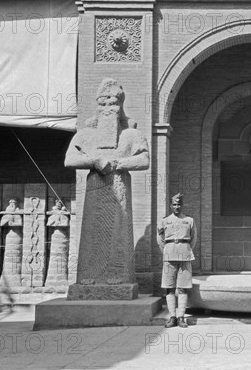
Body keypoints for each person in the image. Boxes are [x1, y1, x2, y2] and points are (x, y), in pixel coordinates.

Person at [65, 78, 150, 290]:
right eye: (102, 104)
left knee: (116, 233)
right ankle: (89, 275)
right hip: (95, 189)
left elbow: (144, 160)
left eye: (112, 104)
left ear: (121, 107)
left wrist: (119, 162)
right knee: (92, 233)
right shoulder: (86, 135)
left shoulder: (131, 135)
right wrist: (93, 161)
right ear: (97, 106)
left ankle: (118, 275)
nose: (107, 109)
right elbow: (69, 160)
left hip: (118, 187)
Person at [157, 193, 197, 328]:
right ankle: (172, 317)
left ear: (182, 205)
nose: (177, 207)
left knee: (182, 288)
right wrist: (167, 251)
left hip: (184, 256)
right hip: (169, 256)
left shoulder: (189, 220)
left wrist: (185, 249)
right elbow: (160, 240)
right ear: (170, 206)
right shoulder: (164, 221)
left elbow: (193, 238)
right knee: (169, 287)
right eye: (174, 204)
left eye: (179, 204)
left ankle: (181, 317)